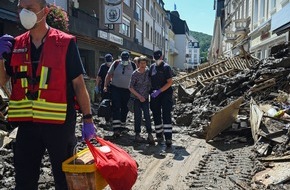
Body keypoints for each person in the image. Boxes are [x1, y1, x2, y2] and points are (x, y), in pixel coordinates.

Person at [0, 0, 96, 189]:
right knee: (24, 181)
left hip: (59, 124)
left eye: (29, 9)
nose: (23, 13)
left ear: (44, 11)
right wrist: (0, 58)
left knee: (64, 180)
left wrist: (88, 119)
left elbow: (78, 84)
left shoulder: (65, 43)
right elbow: (2, 81)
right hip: (27, 126)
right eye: (20, 8)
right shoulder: (15, 44)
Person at [104, 51, 136, 137]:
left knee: (125, 108)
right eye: (123, 59)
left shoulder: (132, 65)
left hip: (127, 90)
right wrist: (105, 86)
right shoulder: (116, 63)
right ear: (121, 58)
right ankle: (116, 129)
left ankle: (122, 126)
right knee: (116, 107)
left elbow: (136, 77)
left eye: (126, 59)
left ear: (129, 58)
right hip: (116, 89)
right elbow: (108, 75)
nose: (124, 60)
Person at [149, 50, 173, 147]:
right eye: (156, 58)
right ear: (153, 58)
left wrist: (159, 91)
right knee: (156, 114)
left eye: (159, 58)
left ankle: (168, 138)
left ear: (162, 57)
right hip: (155, 94)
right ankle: (159, 135)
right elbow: (149, 79)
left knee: (166, 114)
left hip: (165, 93)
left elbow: (170, 82)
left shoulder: (166, 67)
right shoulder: (152, 67)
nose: (158, 60)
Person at [129, 56, 154, 144]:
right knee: (137, 116)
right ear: (138, 63)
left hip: (146, 98)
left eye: (144, 63)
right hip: (137, 98)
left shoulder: (148, 72)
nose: (143, 65)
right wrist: (139, 96)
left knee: (147, 116)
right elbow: (131, 87)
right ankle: (137, 134)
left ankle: (150, 133)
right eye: (141, 63)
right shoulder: (135, 74)